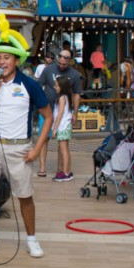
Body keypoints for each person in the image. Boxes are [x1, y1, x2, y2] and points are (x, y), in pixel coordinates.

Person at [0, 26, 53, 260]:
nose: (2, 62)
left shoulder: (29, 84)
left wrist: (37, 148)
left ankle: (32, 240)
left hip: (19, 147)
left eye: (6, 57)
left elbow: (48, 116)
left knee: (25, 196)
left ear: (16, 60)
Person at [37, 48, 82, 178]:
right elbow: (39, 85)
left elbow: (77, 94)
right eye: (60, 63)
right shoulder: (48, 69)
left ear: (69, 61)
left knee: (61, 142)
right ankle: (42, 167)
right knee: (44, 138)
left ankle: (61, 169)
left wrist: (75, 113)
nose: (61, 66)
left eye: (64, 64)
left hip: (61, 113)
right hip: (47, 109)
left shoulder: (74, 74)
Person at [50, 75, 75, 182]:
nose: (54, 87)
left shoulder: (62, 98)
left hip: (62, 126)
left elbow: (60, 114)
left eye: (56, 85)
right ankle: (67, 171)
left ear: (62, 86)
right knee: (65, 149)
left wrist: (55, 128)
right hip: (66, 125)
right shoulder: (66, 97)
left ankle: (65, 173)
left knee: (63, 149)